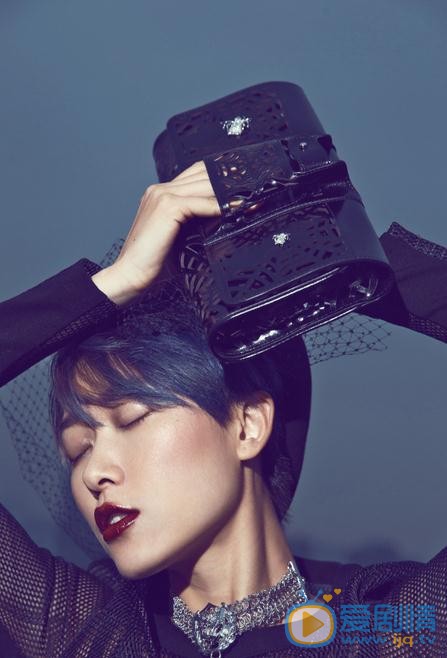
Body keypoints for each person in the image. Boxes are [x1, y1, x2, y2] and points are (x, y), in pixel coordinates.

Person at [0, 160, 446, 658]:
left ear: (247, 424)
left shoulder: (378, 629)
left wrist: (343, 254)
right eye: (77, 450)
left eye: (131, 419)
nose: (93, 474)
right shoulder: (86, 632)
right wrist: (111, 285)